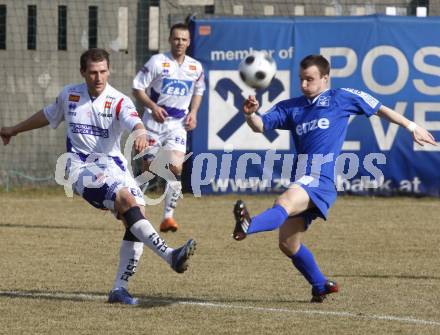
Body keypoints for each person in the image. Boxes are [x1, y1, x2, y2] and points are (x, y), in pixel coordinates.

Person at [232, 54, 436, 303]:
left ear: (325, 78)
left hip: (320, 178)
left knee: (283, 202)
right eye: (301, 79)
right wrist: (249, 115)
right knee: (287, 244)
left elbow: (380, 108)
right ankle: (320, 285)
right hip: (302, 177)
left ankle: (248, 226)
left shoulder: (341, 98)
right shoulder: (292, 106)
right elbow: (261, 125)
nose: (304, 84)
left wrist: (412, 128)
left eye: (310, 79)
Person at [0, 48, 197, 305]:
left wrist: (139, 133)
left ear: (109, 70)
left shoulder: (119, 100)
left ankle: (119, 289)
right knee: (127, 200)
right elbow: (47, 115)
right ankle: (171, 255)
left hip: (114, 167)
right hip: (80, 167)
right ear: (82, 72)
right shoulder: (70, 95)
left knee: (137, 217)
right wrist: (13, 130)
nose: (98, 77)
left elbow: (135, 123)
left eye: (103, 71)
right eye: (93, 72)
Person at [132, 23, 205, 233]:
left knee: (176, 167)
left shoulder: (195, 67)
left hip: (177, 125)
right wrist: (152, 106)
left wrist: (194, 112)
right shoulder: (157, 62)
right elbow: (137, 87)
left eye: (184, 39)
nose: (180, 42)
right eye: (176, 39)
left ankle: (167, 218)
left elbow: (199, 90)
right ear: (170, 40)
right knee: (149, 170)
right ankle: (127, 205)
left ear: (189, 42)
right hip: (153, 125)